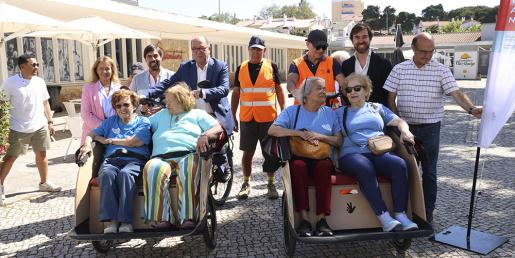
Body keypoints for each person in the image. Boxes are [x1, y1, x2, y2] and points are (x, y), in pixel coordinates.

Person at [383, 32, 482, 223]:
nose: (427, 55)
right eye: (423, 51)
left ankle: (427, 212)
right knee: (407, 170)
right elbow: (390, 98)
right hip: (406, 129)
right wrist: (398, 124)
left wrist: (471, 109)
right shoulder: (399, 69)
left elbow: (456, 93)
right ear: (413, 49)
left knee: (429, 172)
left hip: (430, 129)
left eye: (431, 51)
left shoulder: (441, 70)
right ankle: (408, 209)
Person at [336, 73, 418, 232]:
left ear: (366, 91)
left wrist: (405, 131)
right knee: (364, 167)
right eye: (348, 90)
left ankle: (401, 214)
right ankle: (384, 217)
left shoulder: (377, 108)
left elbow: (399, 121)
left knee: (399, 164)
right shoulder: (340, 113)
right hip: (351, 154)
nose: (352, 92)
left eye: (357, 88)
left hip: (379, 150)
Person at [148, 36, 234, 181]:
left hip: (214, 113)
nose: (199, 52)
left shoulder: (220, 66)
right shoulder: (185, 67)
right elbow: (169, 83)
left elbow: (224, 89)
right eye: (195, 49)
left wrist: (203, 93)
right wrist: (146, 93)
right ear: (192, 51)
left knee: (218, 137)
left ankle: (222, 156)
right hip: (191, 113)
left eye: (202, 48)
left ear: (209, 48)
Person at [268, 77, 342, 237]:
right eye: (319, 89)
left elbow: (338, 140)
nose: (324, 92)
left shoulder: (329, 113)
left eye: (324, 88)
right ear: (306, 94)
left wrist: (319, 136)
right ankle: (304, 220)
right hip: (299, 156)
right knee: (297, 167)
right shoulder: (292, 111)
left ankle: (322, 220)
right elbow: (272, 130)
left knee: (324, 168)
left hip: (322, 157)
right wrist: (300, 133)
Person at [143, 83, 223, 229]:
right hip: (161, 157)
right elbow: (142, 125)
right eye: (165, 101)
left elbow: (218, 127)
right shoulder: (160, 115)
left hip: (188, 154)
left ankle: (188, 217)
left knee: (188, 168)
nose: (166, 105)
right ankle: (161, 218)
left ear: (181, 100)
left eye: (170, 101)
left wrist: (205, 135)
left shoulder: (196, 114)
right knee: (151, 168)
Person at [77, 89, 151, 233]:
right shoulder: (110, 122)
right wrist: (87, 144)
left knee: (125, 175)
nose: (122, 108)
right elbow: (91, 133)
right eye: (118, 106)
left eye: (126, 105)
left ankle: (126, 221)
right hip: (112, 160)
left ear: (134, 105)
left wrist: (110, 140)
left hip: (134, 159)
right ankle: (112, 222)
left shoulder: (143, 121)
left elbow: (135, 142)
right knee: (106, 174)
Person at [0, 54, 61, 206]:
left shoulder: (39, 82)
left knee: (42, 154)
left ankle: (44, 183)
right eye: (33, 65)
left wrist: (50, 121)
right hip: (17, 127)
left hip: (39, 125)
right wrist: (4, 127)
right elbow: (2, 104)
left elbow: (45, 103)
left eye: (37, 64)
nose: (37, 67)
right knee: (10, 158)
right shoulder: (10, 83)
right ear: (22, 67)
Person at [231, 35, 286, 200]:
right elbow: (236, 93)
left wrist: (283, 111)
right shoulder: (241, 68)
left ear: (264, 50)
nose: (256, 52)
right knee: (247, 153)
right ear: (248, 49)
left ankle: (270, 184)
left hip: (268, 118)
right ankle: (246, 183)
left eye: (259, 49)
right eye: (253, 49)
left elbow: (279, 90)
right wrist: (233, 115)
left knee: (269, 153)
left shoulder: (272, 67)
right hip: (247, 118)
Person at [287, 29, 345, 108]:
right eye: (317, 47)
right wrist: (295, 92)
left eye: (324, 47)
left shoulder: (332, 62)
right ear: (307, 44)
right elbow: (291, 82)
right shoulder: (296, 64)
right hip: (304, 110)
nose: (321, 50)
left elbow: (343, 82)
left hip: (329, 110)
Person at [341, 23, 393, 106]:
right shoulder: (346, 65)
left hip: (377, 115)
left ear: (370, 39)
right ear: (352, 40)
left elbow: (390, 95)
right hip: (353, 115)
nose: (361, 41)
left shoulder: (384, 64)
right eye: (357, 37)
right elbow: (344, 92)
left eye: (364, 37)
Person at [80, 56, 121, 143]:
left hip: (115, 133)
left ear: (112, 70)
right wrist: (105, 127)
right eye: (101, 69)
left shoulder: (119, 89)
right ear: (96, 71)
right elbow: (86, 114)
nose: (104, 71)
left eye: (107, 68)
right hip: (94, 133)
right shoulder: (88, 88)